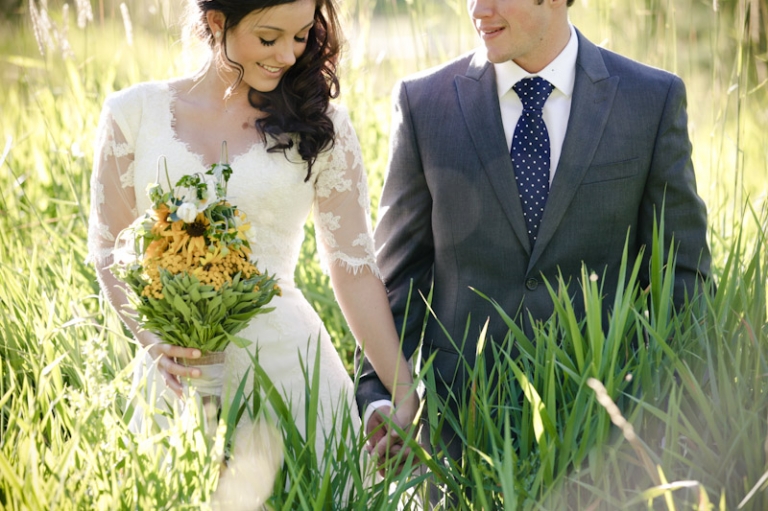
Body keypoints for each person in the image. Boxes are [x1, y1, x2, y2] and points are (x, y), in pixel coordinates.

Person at [357, 0, 712, 474]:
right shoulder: (424, 103)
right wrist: (380, 399)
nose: (478, 9)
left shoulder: (651, 99)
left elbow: (682, 281)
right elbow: (397, 279)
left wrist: (685, 424)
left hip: (608, 446)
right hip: (459, 444)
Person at [87, 0, 417, 464]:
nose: (287, 55)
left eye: (300, 36)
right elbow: (109, 249)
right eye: (268, 38)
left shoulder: (322, 126)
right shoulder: (133, 114)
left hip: (292, 374)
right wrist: (152, 339)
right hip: (177, 374)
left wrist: (403, 392)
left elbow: (353, 270)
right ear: (217, 22)